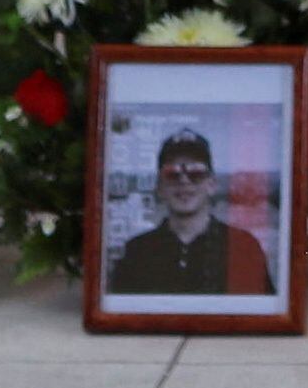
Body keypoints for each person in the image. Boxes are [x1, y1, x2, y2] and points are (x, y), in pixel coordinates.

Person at [102, 122, 276, 299]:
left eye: (196, 173)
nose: (184, 181)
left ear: (212, 184)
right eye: (172, 174)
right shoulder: (137, 253)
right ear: (160, 186)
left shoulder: (243, 248)